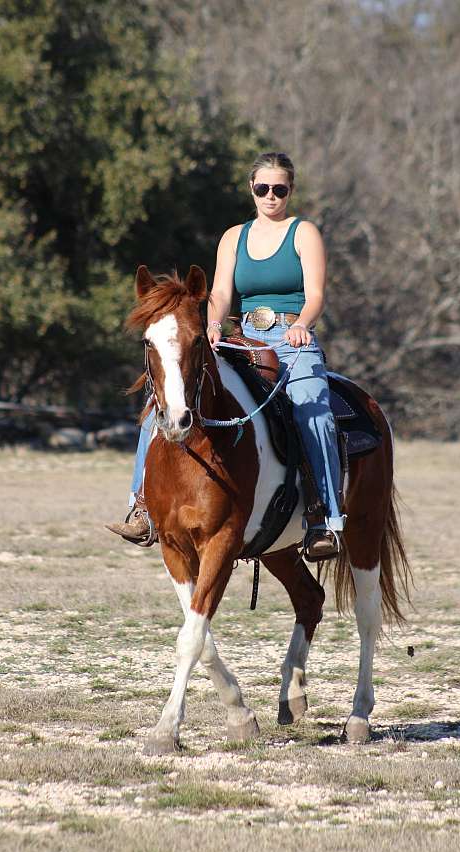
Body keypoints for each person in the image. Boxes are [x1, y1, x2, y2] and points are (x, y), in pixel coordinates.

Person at [107, 151, 346, 560]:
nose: (271, 196)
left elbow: (317, 294)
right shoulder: (235, 236)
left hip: (293, 338)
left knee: (314, 413)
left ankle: (325, 519)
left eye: (279, 189)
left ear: (290, 190)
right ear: (251, 190)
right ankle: (141, 506)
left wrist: (302, 323)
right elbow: (218, 293)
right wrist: (214, 325)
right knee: (157, 403)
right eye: (263, 188)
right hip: (245, 336)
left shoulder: (303, 233)